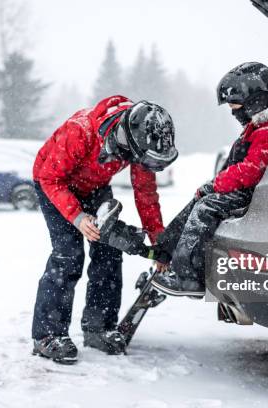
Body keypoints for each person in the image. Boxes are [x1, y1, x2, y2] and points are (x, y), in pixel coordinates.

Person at [97, 62, 268, 298]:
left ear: (255, 101)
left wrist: (215, 185)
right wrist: (209, 187)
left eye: (236, 107)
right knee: (196, 202)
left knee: (205, 208)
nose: (234, 113)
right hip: (240, 190)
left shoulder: (266, 131)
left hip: (251, 194)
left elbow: (250, 170)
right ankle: (165, 252)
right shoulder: (257, 127)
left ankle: (188, 277)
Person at [31, 95, 178, 364]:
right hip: (55, 185)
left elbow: (145, 192)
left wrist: (158, 238)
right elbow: (50, 178)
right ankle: (47, 336)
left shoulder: (141, 140)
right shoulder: (82, 130)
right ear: (125, 139)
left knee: (109, 253)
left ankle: (98, 328)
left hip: (95, 187)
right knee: (68, 256)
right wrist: (77, 218)